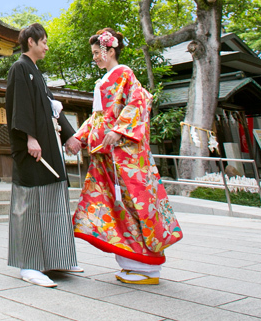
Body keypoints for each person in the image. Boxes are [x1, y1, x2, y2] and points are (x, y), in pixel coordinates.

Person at [65, 27, 182, 285]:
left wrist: (118, 131)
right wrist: (79, 137)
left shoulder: (124, 74)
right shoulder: (104, 81)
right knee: (115, 208)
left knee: (133, 205)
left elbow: (139, 102)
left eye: (97, 52)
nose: (94, 57)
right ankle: (131, 263)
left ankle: (148, 267)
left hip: (126, 159)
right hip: (108, 158)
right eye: (94, 53)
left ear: (110, 50)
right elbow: (97, 119)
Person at [6, 23, 83, 287]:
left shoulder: (37, 73)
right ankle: (29, 264)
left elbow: (52, 107)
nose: (47, 47)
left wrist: (70, 135)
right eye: (44, 42)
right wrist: (29, 137)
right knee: (29, 204)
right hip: (32, 149)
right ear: (31, 42)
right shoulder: (20, 68)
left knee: (52, 199)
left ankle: (56, 257)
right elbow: (20, 107)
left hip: (47, 146)